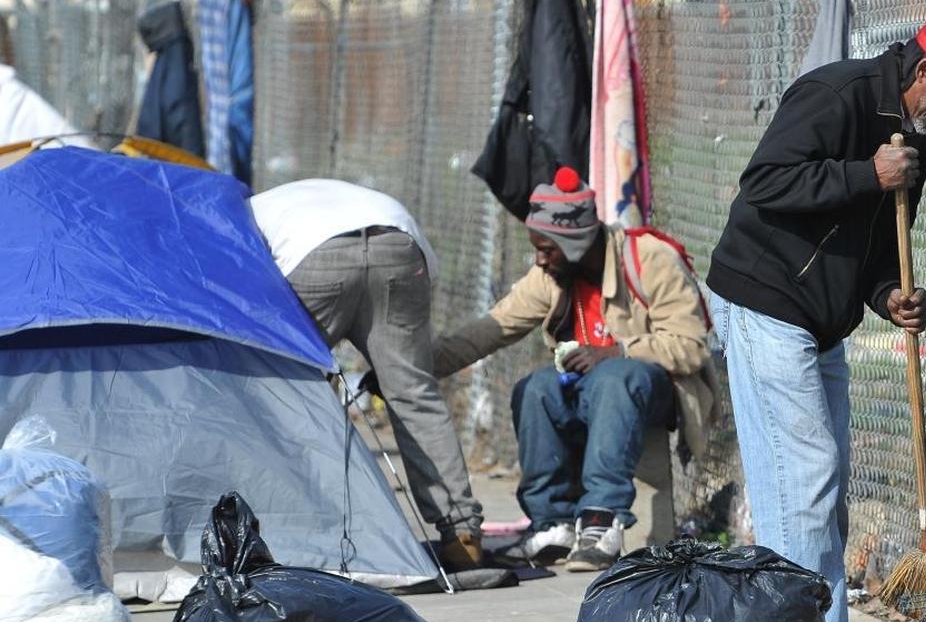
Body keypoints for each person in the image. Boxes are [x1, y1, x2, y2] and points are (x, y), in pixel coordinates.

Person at [706, 9, 926, 622]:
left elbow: (874, 247)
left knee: (826, 483)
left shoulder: (919, 141)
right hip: (765, 300)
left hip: (822, 320)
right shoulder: (834, 94)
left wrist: (887, 296)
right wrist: (864, 173)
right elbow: (766, 183)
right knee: (802, 475)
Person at [433, 167, 716, 571]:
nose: (539, 259)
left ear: (579, 243)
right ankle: (552, 524)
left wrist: (619, 350)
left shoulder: (650, 259)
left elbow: (691, 347)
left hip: (651, 393)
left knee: (618, 376)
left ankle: (602, 520)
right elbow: (488, 332)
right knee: (536, 388)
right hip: (589, 392)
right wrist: (411, 368)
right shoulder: (551, 274)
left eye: (547, 249)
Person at [250, 179, 485, 571]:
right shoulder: (329, 197)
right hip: (399, 246)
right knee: (413, 393)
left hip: (313, 258)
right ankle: (462, 533)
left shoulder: (249, 212)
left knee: (287, 390)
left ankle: (294, 527)